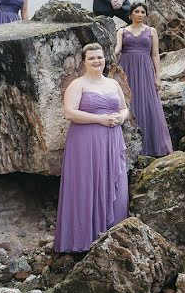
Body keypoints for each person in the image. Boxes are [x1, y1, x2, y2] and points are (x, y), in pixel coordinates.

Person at [54, 43, 129, 252]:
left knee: (117, 185)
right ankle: (83, 240)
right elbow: (69, 113)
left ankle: (114, 239)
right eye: (92, 58)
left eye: (100, 57)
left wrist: (120, 117)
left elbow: (124, 109)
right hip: (85, 142)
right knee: (86, 185)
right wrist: (100, 119)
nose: (97, 61)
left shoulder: (113, 84)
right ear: (84, 62)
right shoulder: (78, 84)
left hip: (112, 139)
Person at [114, 2, 173, 157]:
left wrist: (157, 76)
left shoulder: (151, 31)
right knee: (129, 101)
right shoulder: (122, 31)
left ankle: (152, 146)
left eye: (142, 12)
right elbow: (118, 48)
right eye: (137, 11)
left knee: (148, 103)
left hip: (146, 69)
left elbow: (155, 55)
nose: (140, 14)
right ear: (130, 14)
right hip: (127, 68)